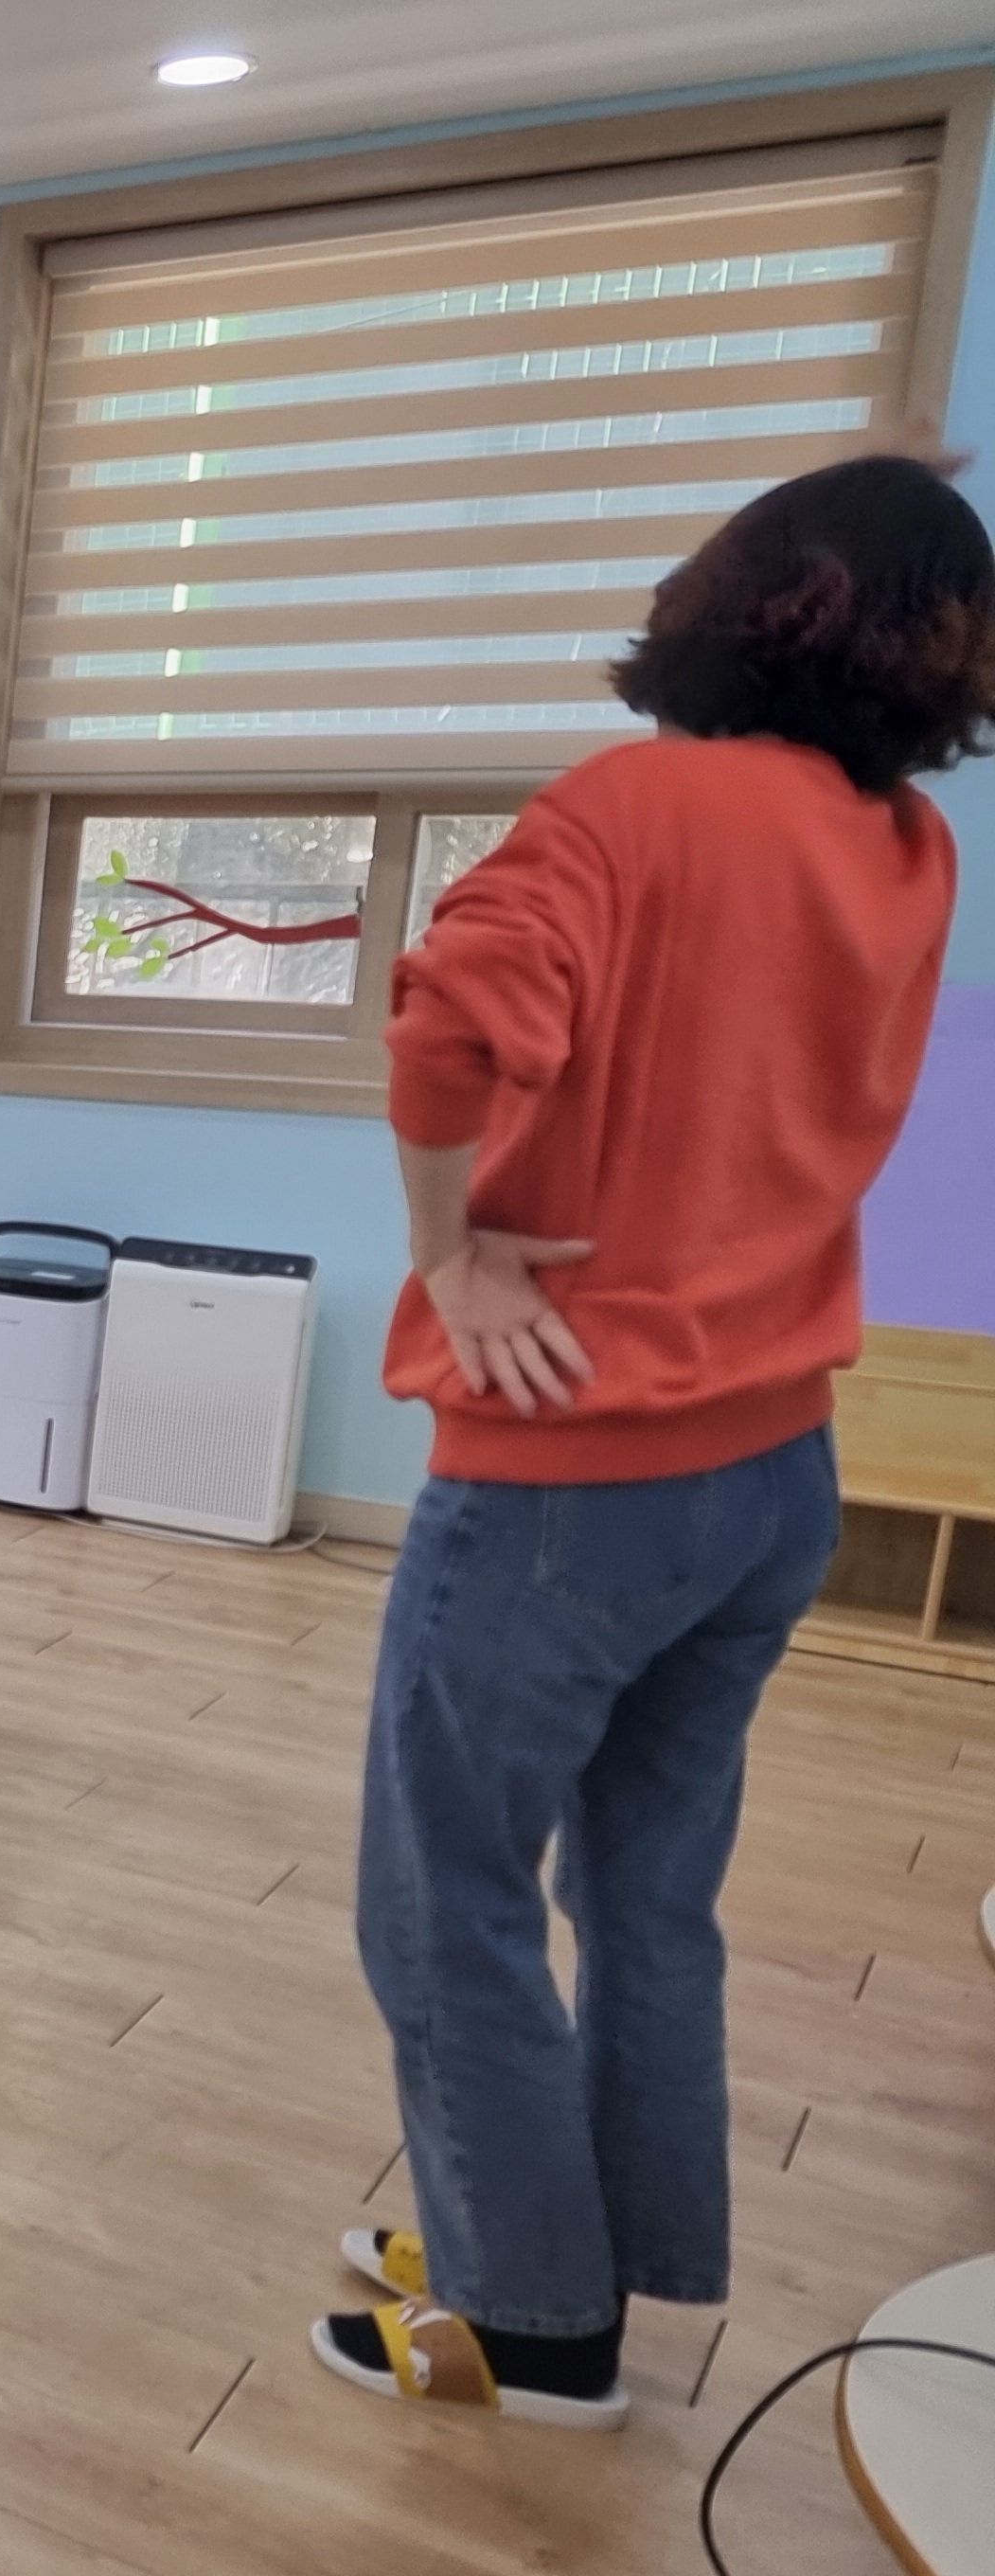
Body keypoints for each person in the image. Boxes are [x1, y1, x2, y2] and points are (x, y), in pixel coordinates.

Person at [322, 453, 995, 2428]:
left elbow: (443, 1026)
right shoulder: (904, 851)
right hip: (771, 1477)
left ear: (737, 599)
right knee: (642, 1896)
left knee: (437, 1901)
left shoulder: (635, 807)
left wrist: (449, 1256)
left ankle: (532, 2325)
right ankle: (583, 2257)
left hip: (571, 1473)